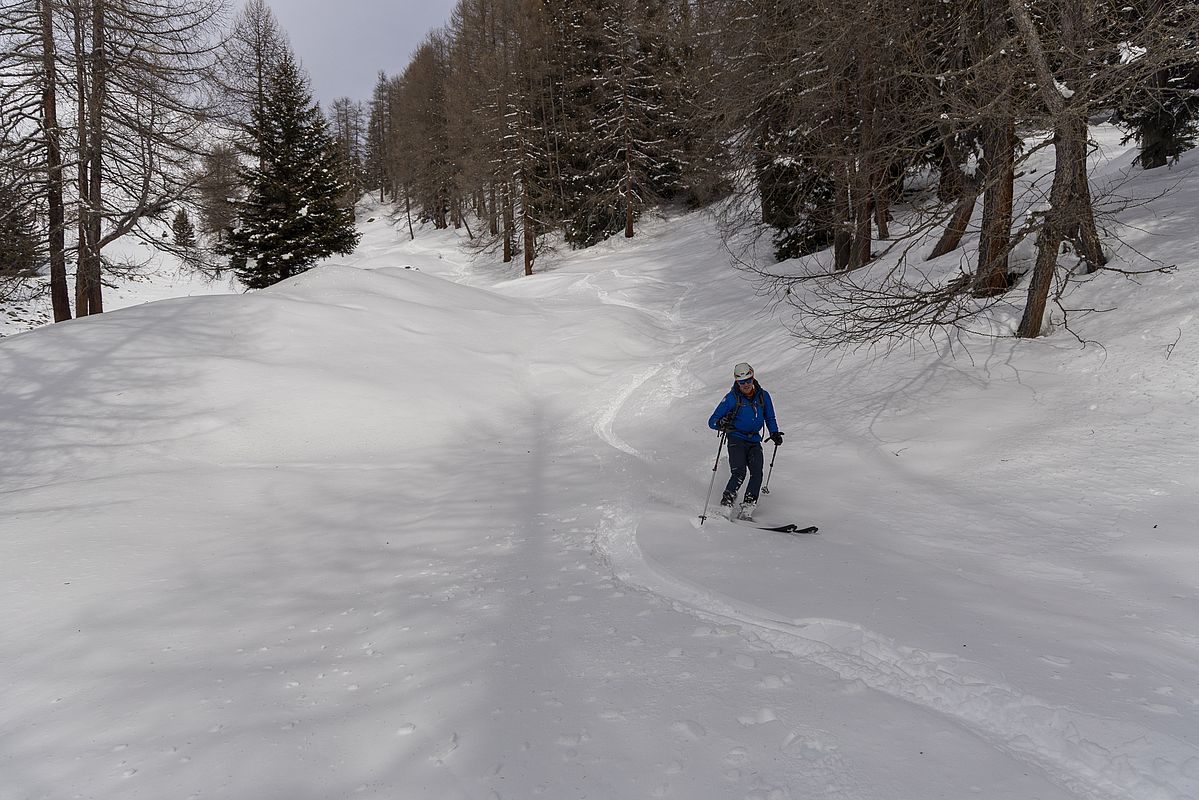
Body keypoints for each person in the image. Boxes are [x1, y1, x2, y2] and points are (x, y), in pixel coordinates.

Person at [707, 362, 783, 513]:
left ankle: (748, 506)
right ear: (737, 382)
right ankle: (726, 503)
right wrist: (722, 422)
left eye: (748, 380)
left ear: (753, 378)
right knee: (739, 472)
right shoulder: (731, 398)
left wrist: (774, 432)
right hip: (736, 438)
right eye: (742, 382)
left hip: (754, 440)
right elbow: (712, 421)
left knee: (757, 472)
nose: (746, 384)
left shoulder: (763, 396)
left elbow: (770, 417)